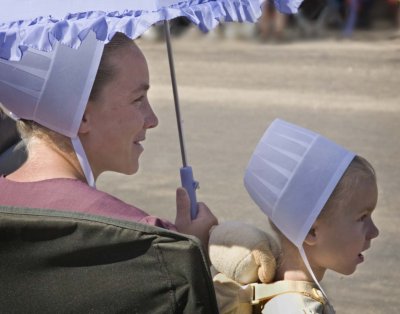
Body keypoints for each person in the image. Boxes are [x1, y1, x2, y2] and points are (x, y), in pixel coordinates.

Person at [0, 31, 217, 249]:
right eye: (138, 99)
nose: (153, 120)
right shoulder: (143, 239)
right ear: (81, 115)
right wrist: (192, 251)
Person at [244, 119, 379, 313]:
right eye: (362, 217)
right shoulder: (299, 310)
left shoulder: (275, 293)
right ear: (310, 231)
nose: (374, 231)